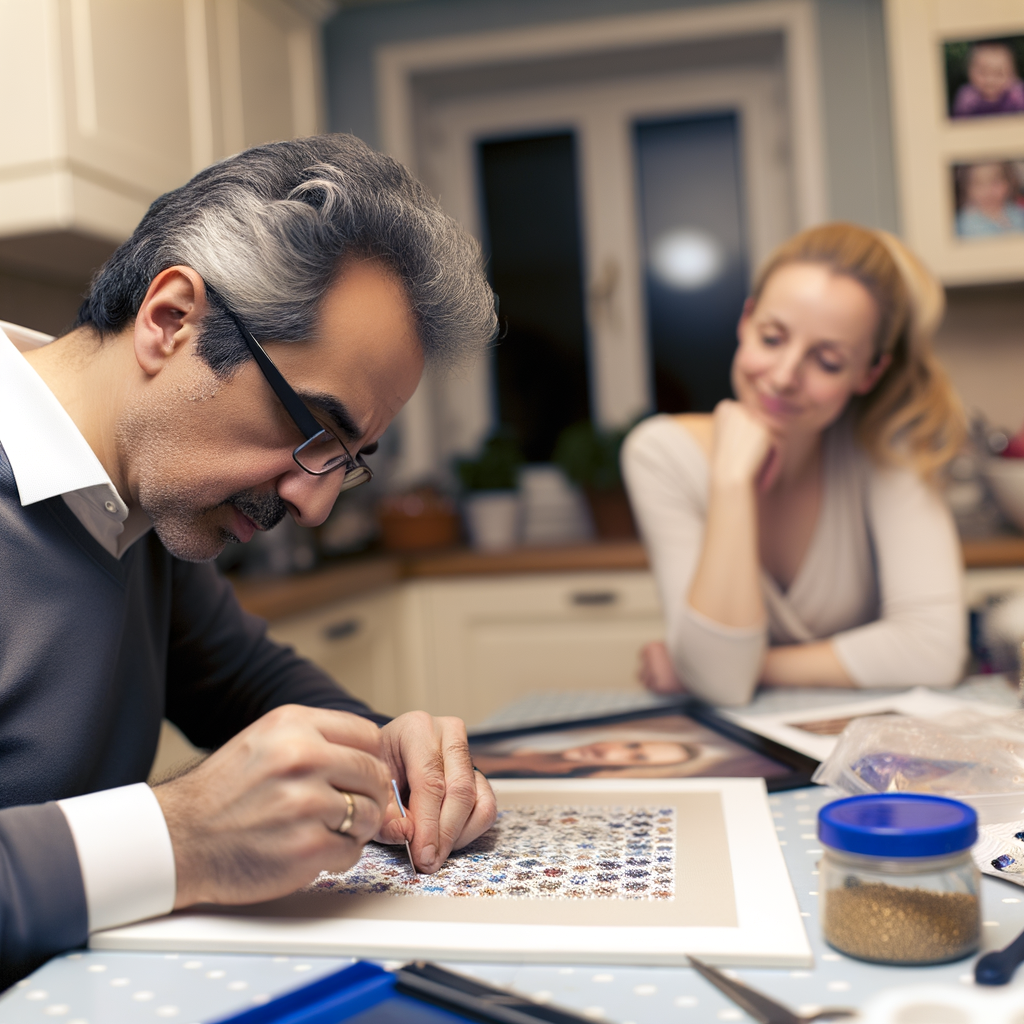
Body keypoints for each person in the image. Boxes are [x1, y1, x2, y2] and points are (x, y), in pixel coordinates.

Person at [0, 134, 499, 985]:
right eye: (314, 429)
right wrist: (183, 835)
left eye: (347, 457)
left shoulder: (139, 506)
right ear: (171, 320)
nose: (314, 503)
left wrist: (392, 750)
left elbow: (246, 681)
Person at [622, 223, 967, 707]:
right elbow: (721, 684)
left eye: (826, 361)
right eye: (771, 338)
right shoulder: (660, 453)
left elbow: (933, 650)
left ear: (868, 373)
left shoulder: (886, 448)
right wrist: (730, 481)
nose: (783, 377)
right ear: (746, 321)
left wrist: (737, 666)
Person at [952, 41, 1024, 118]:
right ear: (968, 71)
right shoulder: (966, 98)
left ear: (1013, 74)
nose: (990, 80)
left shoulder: (1016, 95)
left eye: (999, 74)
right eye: (982, 73)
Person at [955, 162, 1024, 236]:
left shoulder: (1017, 213)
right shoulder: (964, 223)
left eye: (995, 181)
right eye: (978, 183)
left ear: (1009, 182)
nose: (988, 190)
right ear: (967, 188)